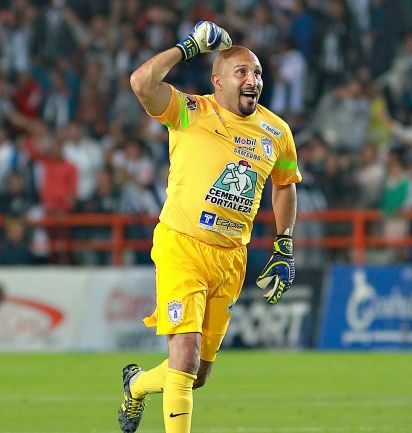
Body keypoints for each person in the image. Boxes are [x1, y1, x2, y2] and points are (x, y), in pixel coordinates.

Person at [118, 21, 301, 433]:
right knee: (183, 354)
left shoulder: (277, 132)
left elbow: (285, 186)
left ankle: (138, 385)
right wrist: (188, 47)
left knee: (196, 373)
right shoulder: (190, 110)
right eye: (242, 72)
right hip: (182, 245)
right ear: (217, 81)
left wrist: (284, 245)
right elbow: (141, 81)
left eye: (257, 73)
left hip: (231, 258)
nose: (253, 80)